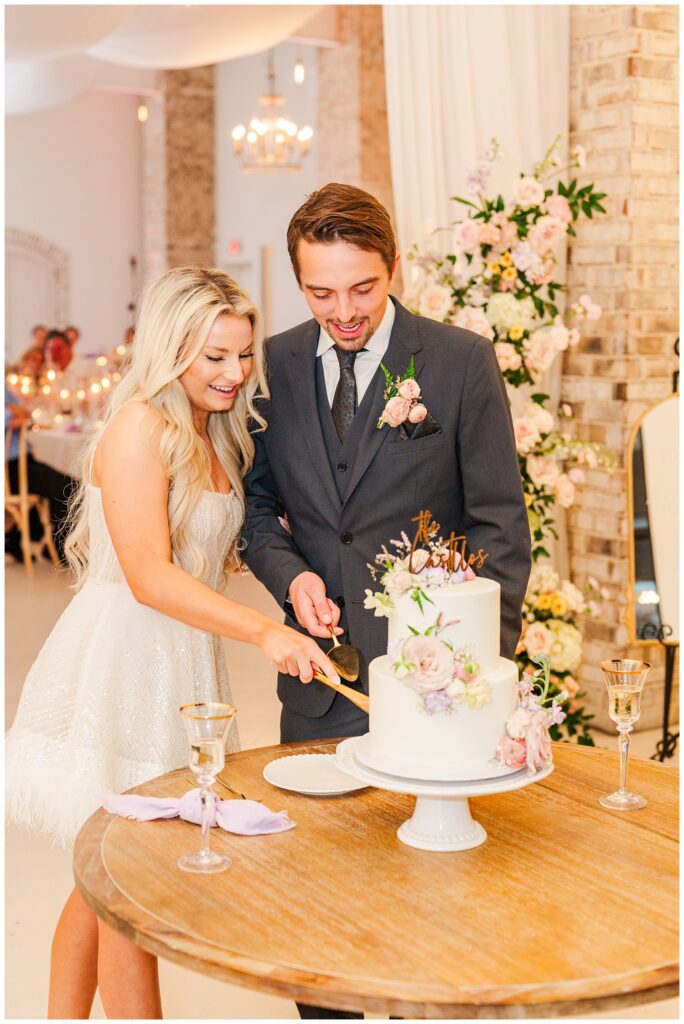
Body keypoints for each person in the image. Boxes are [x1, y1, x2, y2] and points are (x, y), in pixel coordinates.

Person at [5, 267, 339, 1019]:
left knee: (102, 881)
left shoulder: (207, 429)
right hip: (125, 658)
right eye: (213, 356)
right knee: (131, 881)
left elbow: (205, 555)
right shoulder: (139, 428)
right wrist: (263, 629)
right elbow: (150, 576)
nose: (234, 373)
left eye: (243, 354)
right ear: (168, 349)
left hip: (180, 659)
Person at [242, 185, 531, 1018]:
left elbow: (499, 527)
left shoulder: (459, 363)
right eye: (320, 292)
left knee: (432, 909)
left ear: (393, 267)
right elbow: (258, 511)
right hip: (319, 679)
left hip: (436, 689)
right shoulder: (277, 364)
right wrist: (288, 574)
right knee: (324, 917)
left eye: (361, 289)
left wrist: (471, 672)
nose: (343, 312)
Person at [5, 382, 76, 564]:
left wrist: (17, 414)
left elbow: (27, 417)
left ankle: (19, 538)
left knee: (71, 486)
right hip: (8, 467)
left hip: (23, 460)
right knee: (68, 488)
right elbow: (15, 414)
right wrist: (10, 413)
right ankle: (57, 546)